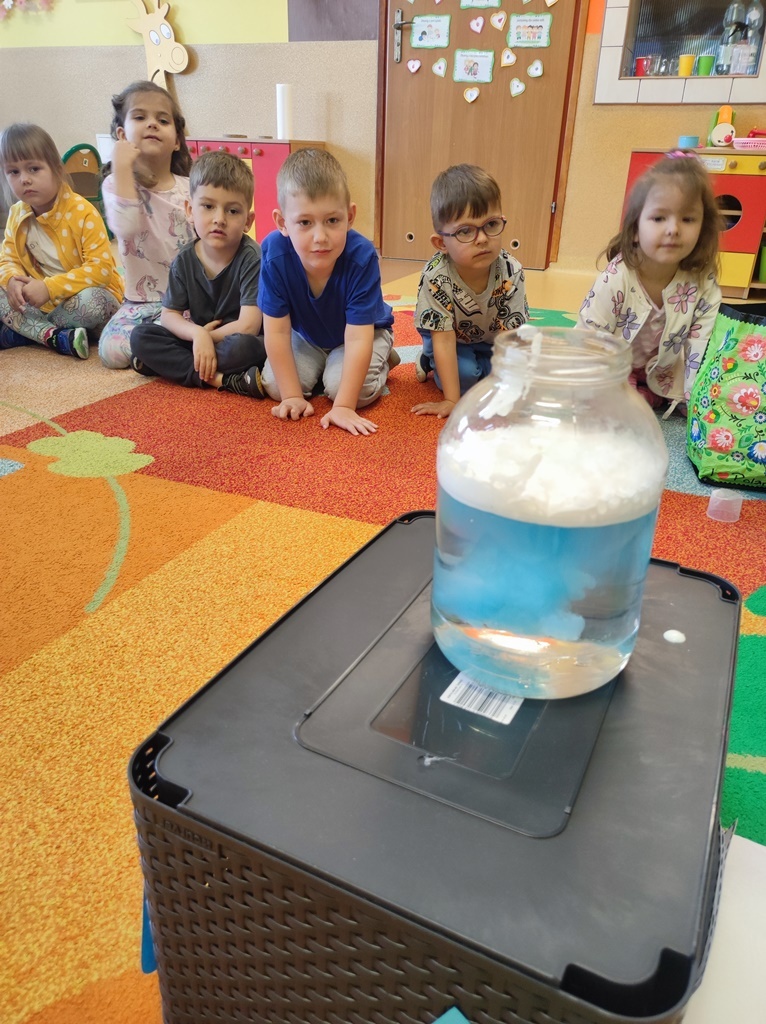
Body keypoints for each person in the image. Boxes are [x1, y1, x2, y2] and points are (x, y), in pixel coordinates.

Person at [258, 148, 397, 437]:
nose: (320, 237)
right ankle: (326, 366)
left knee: (350, 391)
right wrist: (292, 396)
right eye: (304, 223)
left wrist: (344, 406)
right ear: (282, 223)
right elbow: (277, 332)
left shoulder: (361, 256)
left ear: (350, 216)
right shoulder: (273, 254)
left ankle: (383, 356)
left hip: (362, 334)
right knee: (275, 386)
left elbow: (358, 337)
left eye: (332, 221)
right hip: (307, 337)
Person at [578, 151, 722, 416]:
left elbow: (700, 344)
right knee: (609, 404)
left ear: (703, 229)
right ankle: (638, 395)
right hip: (617, 365)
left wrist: (693, 397)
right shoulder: (617, 277)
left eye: (688, 219)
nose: (673, 229)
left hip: (666, 369)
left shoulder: (703, 282)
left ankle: (649, 394)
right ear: (634, 230)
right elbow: (591, 337)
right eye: (659, 218)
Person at [129, 151, 265, 394]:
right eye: (208, 206)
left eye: (233, 211)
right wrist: (197, 334)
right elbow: (169, 315)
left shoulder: (252, 258)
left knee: (246, 348)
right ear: (190, 210)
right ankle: (220, 380)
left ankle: (174, 366)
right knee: (141, 336)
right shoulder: (184, 259)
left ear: (248, 220)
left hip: (233, 341)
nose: (219, 219)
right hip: (200, 339)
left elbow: (249, 326)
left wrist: (205, 339)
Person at [412, 164, 528, 419]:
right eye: (465, 231)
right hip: (449, 340)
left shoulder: (512, 271)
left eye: (491, 224)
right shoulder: (436, 277)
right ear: (441, 243)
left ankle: (479, 367)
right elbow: (444, 339)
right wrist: (451, 400)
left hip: (492, 339)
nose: (482, 239)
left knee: (525, 369)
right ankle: (428, 359)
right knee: (466, 378)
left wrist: (507, 383)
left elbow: (510, 336)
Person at [0, 123, 123, 359]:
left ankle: (24, 333)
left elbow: (101, 270)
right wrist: (12, 280)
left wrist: (49, 288)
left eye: (34, 169)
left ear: (57, 169)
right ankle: (55, 336)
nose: (24, 179)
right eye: (13, 172)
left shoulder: (82, 212)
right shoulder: (17, 214)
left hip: (84, 301)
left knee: (94, 301)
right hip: (41, 305)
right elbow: (8, 259)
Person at [99, 80, 196, 368]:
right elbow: (126, 226)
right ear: (122, 135)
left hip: (188, 305)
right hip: (140, 305)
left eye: (163, 120)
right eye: (140, 117)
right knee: (111, 351)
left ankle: (159, 352)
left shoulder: (190, 188)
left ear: (177, 140)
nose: (152, 124)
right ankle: (164, 350)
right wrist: (121, 166)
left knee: (214, 330)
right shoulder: (116, 184)